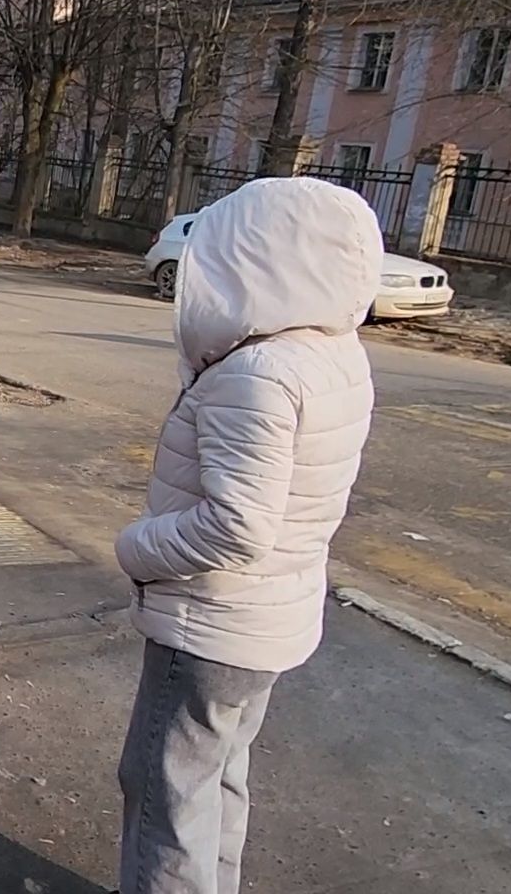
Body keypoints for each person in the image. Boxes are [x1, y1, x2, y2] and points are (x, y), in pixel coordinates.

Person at [113, 177, 380, 894]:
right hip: (271, 619)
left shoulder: (258, 372)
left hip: (212, 621)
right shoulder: (332, 354)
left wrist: (136, 548)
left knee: (163, 792)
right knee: (218, 776)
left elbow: (238, 525)